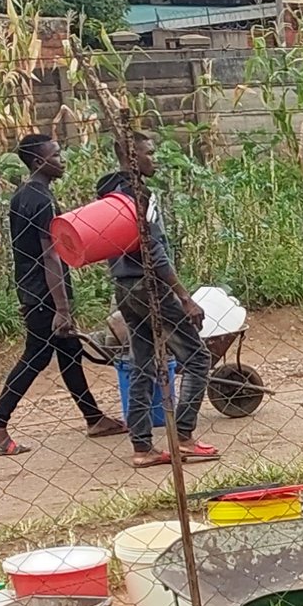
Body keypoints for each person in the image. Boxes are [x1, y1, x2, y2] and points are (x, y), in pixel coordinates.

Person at [0, 132, 118, 454]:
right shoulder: (42, 200)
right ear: (40, 161)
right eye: (56, 155)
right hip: (45, 294)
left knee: (70, 354)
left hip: (32, 289)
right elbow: (51, 255)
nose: (62, 159)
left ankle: (93, 417)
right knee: (36, 356)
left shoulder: (21, 196)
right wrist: (63, 308)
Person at [98, 129, 216, 467]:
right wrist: (183, 296)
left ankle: (142, 447)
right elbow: (153, 249)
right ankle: (184, 436)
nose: (155, 158)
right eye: (148, 153)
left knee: (142, 365)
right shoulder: (138, 195)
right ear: (131, 156)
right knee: (197, 358)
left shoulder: (109, 193)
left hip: (124, 286)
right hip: (149, 286)